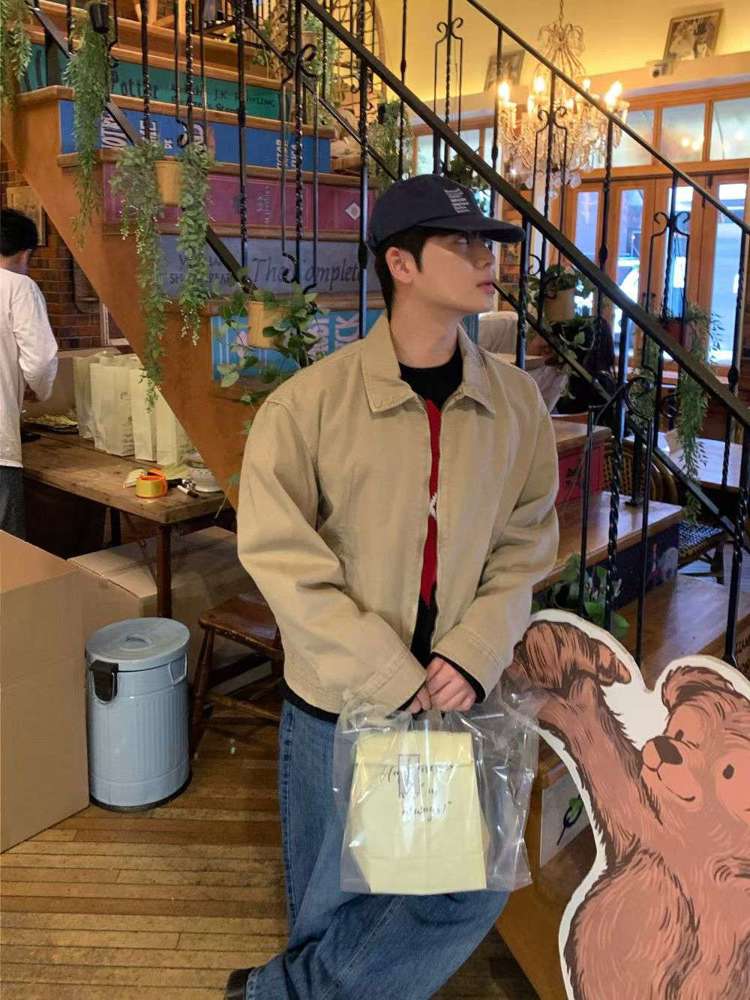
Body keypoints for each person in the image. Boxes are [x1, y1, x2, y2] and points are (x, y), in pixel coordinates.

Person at [231, 174, 560, 1000]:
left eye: (489, 243)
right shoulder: (308, 407)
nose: (488, 259)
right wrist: (383, 671)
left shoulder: (516, 404)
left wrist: (477, 647)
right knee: (331, 903)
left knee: (463, 887)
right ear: (401, 263)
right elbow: (281, 558)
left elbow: (525, 543)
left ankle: (276, 997)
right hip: (340, 704)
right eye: (464, 243)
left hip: (458, 697)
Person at [0, 208, 58, 538]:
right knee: (8, 554)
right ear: (25, 254)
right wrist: (40, 389)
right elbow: (40, 361)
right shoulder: (19, 287)